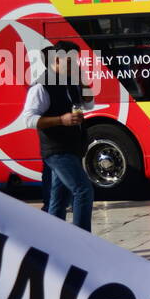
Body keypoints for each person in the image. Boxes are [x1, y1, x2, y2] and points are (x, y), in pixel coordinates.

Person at [22, 41, 94, 232]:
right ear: (57, 60)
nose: (75, 65)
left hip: (73, 146)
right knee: (83, 190)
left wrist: (83, 80)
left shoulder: (71, 81)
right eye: (70, 61)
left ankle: (54, 238)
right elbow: (29, 120)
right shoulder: (41, 86)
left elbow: (89, 105)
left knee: (59, 199)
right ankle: (82, 239)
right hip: (57, 149)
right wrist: (61, 120)